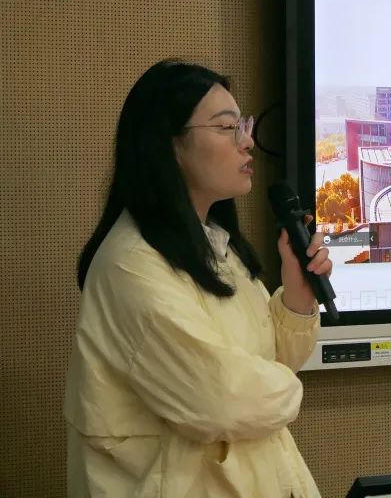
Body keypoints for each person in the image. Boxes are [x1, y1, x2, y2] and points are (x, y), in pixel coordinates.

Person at [65, 60, 331, 497]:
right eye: (227, 128)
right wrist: (289, 391)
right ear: (170, 145)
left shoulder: (218, 248)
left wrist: (298, 298)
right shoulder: (132, 265)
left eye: (243, 125)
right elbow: (220, 400)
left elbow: (270, 364)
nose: (248, 142)